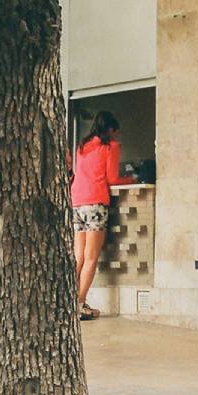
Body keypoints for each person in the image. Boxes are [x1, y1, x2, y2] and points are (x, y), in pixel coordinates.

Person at [71, 111, 135, 321]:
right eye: (116, 133)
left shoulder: (82, 146)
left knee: (79, 256)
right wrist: (131, 179)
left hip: (77, 202)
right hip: (95, 203)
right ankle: (79, 304)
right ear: (110, 130)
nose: (117, 137)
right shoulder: (110, 147)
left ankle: (67, 303)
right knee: (91, 257)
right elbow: (113, 179)